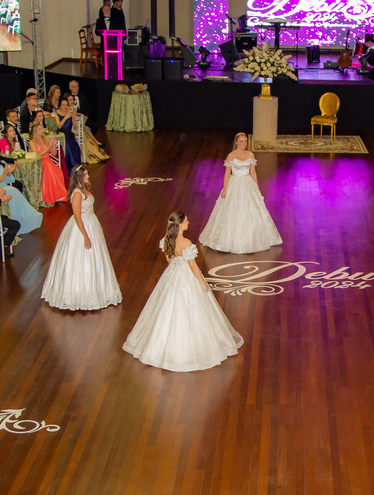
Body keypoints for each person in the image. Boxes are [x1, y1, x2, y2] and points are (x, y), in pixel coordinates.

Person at [122, 211, 243, 372]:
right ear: (179, 225)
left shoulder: (166, 240)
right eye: (186, 221)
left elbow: (169, 260)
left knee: (164, 308)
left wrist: (175, 267)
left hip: (171, 275)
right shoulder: (186, 243)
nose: (188, 222)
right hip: (186, 276)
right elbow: (193, 266)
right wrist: (203, 283)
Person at [41, 167, 121, 311]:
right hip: (81, 228)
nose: (88, 176)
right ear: (78, 177)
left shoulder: (85, 189)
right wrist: (85, 236)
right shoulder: (77, 194)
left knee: (97, 258)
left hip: (91, 224)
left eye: (87, 173)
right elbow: (77, 217)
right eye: (85, 174)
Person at [200, 132, 283, 255]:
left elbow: (253, 172)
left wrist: (256, 188)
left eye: (245, 141)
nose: (243, 143)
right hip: (235, 184)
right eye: (241, 141)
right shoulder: (231, 156)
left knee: (251, 210)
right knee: (232, 210)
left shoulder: (250, 154)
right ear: (236, 142)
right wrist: (225, 189)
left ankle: (253, 238)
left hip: (247, 183)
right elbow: (227, 173)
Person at [29, 123, 69, 203]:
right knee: (48, 167)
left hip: (48, 160)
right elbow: (37, 155)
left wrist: (52, 144)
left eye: (42, 128)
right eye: (39, 129)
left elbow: (54, 154)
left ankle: (58, 194)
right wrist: (49, 147)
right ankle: (51, 195)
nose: (42, 130)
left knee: (57, 170)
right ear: (35, 131)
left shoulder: (46, 139)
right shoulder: (32, 142)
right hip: (39, 161)